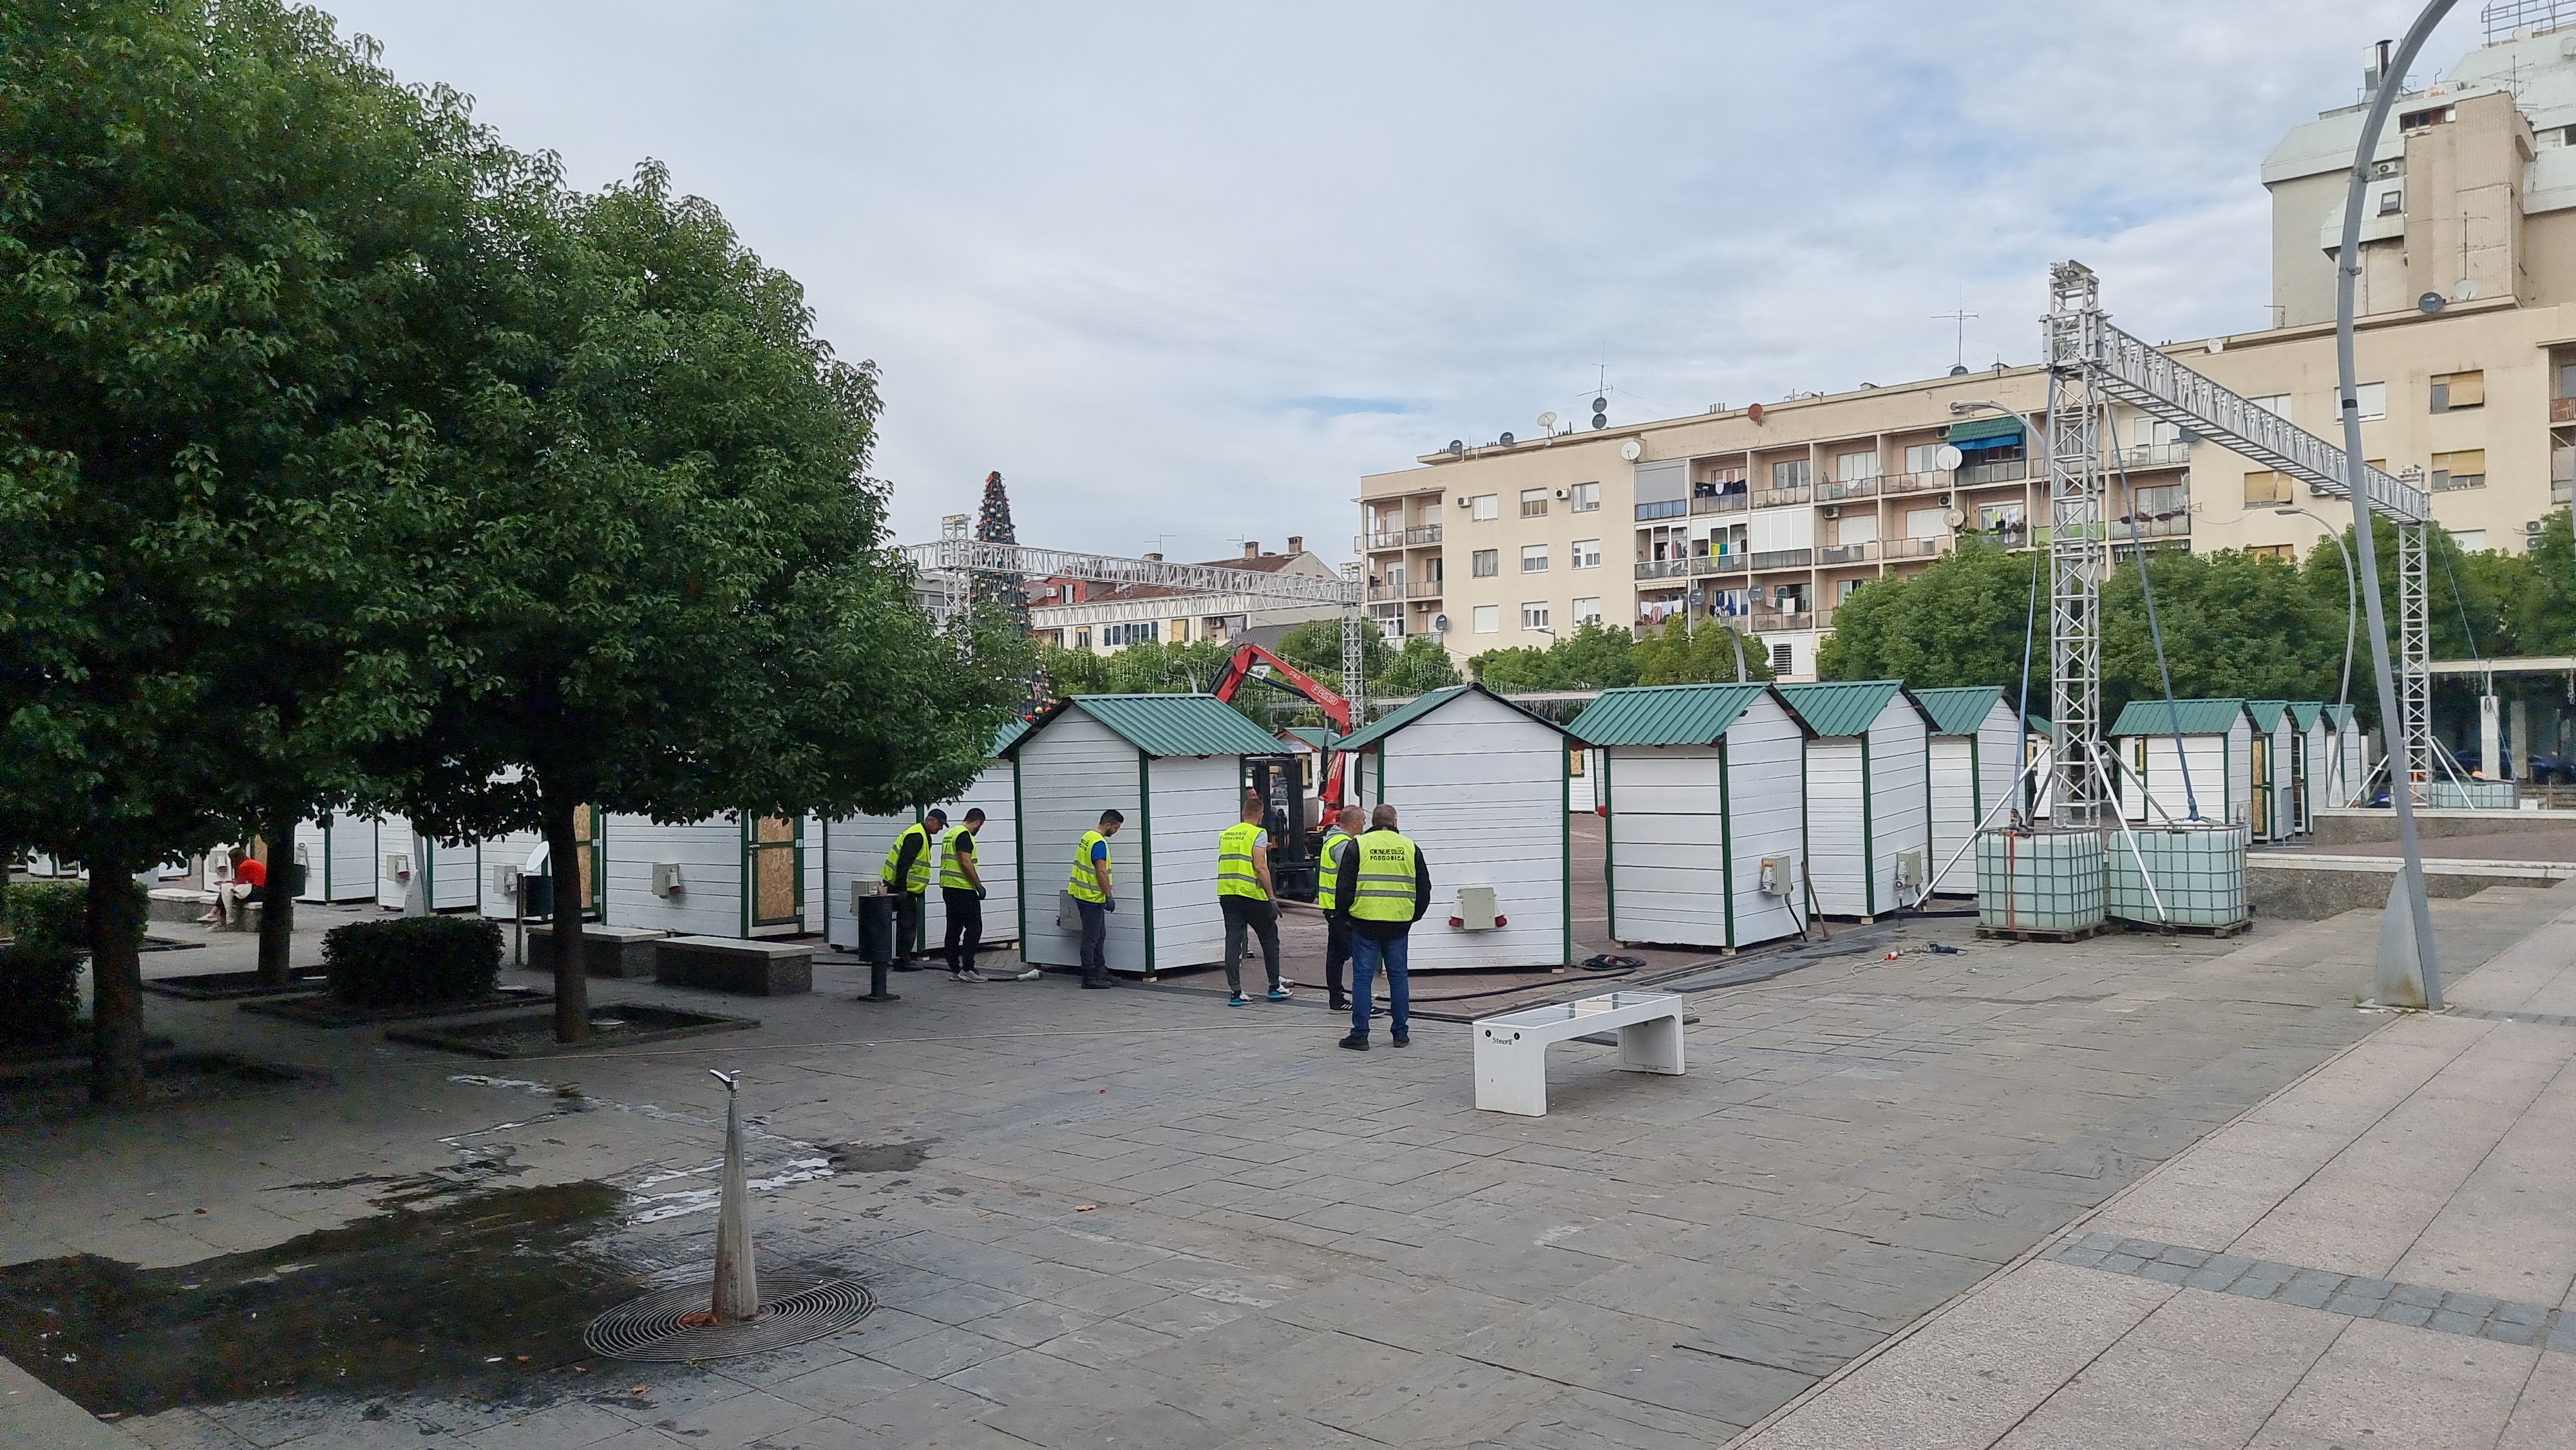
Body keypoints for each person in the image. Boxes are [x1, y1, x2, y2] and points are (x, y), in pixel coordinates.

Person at [1329, 803, 1430, 1051]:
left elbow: (1343, 888)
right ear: (1395, 822)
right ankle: (1400, 1034)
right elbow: (1424, 888)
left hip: (1365, 923)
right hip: (1398, 923)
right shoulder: (1410, 847)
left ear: (1372, 822)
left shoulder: (1359, 845)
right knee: (1398, 977)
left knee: (1362, 979)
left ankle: (1360, 1035)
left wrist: (1347, 917)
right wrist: (1412, 916)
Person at [1217, 789, 1288, 1006]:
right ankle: (1275, 986)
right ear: (1262, 815)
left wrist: (1260, 849)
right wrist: (1272, 898)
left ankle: (1236, 993)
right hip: (1252, 896)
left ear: (1242, 813)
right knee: (1269, 939)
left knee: (1233, 942)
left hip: (1228, 894)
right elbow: (1259, 866)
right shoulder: (1259, 833)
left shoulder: (1227, 834)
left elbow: (1240, 855)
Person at [881, 809, 945, 968]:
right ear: (930, 820)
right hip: (902, 889)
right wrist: (901, 889)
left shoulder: (920, 835)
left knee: (902, 923)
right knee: (907, 924)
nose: (941, 829)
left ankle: (896, 958)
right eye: (940, 824)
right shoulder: (917, 836)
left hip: (901, 887)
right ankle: (903, 960)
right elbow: (904, 863)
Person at [1069, 809, 1123, 989]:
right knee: (1091, 938)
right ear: (1108, 824)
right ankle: (1089, 977)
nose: (1116, 831)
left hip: (1083, 895)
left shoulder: (1088, 836)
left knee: (1099, 935)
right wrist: (1109, 895)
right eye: (1116, 827)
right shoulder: (1099, 843)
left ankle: (1101, 970)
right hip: (1091, 897)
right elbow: (1101, 871)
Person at [1316, 805, 1362, 1012]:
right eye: (1362, 820)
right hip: (1341, 908)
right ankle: (1362, 1003)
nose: (1364, 823)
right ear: (1354, 823)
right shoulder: (1343, 844)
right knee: (1360, 954)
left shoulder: (1332, 840)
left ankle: (1337, 999)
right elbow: (1352, 873)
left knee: (1336, 955)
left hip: (1332, 907)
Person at [939, 808, 989, 983]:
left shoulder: (950, 833)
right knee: (974, 928)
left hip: (949, 888)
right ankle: (968, 968)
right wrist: (978, 884)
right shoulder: (964, 835)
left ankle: (955, 969)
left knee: (953, 928)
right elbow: (966, 862)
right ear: (977, 822)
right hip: (963, 889)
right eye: (980, 826)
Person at [216, 846, 265, 930]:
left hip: (259, 891)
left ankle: (221, 919)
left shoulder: (244, 866)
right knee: (229, 893)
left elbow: (239, 883)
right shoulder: (250, 862)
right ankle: (217, 915)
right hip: (262, 890)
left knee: (228, 893)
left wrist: (228, 882)